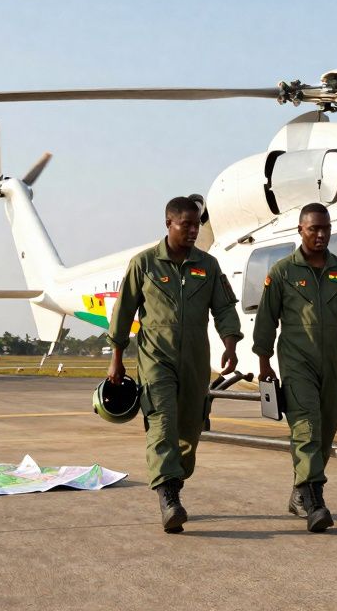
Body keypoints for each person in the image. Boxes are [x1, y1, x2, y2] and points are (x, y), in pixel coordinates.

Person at [107, 196, 242, 533]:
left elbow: (223, 308)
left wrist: (230, 343)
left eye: (198, 224)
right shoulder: (145, 264)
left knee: (190, 430)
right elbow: (123, 312)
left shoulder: (208, 266)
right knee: (163, 423)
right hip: (156, 358)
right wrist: (116, 358)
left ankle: (175, 483)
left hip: (196, 358)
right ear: (169, 224)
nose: (194, 230)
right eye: (187, 224)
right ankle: (168, 495)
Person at [252, 203, 337, 532]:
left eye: (325, 229)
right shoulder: (282, 272)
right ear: (300, 230)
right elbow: (266, 320)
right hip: (296, 361)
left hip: (333, 361)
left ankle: (299, 492)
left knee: (325, 428)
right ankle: (314, 499)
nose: (320, 235)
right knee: (306, 426)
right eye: (313, 229)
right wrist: (264, 363)